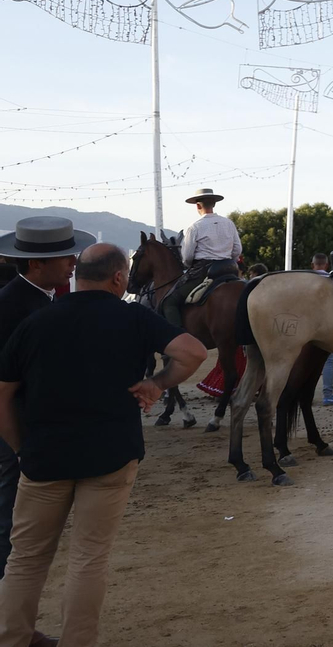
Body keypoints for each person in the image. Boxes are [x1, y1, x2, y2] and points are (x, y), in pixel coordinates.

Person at [0, 243, 206, 646]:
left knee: (25, 559)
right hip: (110, 454)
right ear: (118, 278)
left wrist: (21, 447)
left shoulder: (38, 321)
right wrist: (157, 383)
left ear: (78, 273)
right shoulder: (133, 316)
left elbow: (2, 395)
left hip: (44, 456)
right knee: (88, 559)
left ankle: (11, 638)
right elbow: (193, 352)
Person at [0, 217, 94, 580]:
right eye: (64, 256)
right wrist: (19, 444)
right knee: (12, 514)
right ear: (36, 264)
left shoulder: (34, 298)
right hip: (19, 423)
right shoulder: (14, 306)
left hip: (30, 422)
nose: (73, 261)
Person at [170, 187, 241, 327]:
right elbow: (237, 250)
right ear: (214, 204)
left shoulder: (195, 227)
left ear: (197, 205)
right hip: (229, 269)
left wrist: (189, 265)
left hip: (204, 272)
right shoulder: (229, 224)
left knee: (170, 301)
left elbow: (187, 257)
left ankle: (178, 337)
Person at [312, 253, 333, 406]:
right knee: (328, 361)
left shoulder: (306, 281)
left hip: (307, 326)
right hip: (327, 326)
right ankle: (328, 395)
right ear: (327, 265)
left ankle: (306, 395)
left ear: (313, 265)